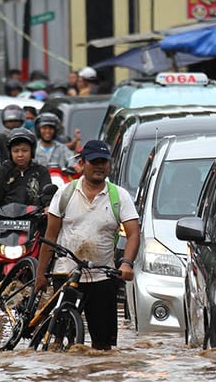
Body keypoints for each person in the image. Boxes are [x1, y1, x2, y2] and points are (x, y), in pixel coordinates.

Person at [34, 140, 141, 350]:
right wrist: (40, 274)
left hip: (102, 275)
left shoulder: (119, 196)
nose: (100, 166)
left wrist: (127, 263)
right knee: (60, 341)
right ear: (82, 163)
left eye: (104, 162)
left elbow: (133, 233)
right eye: (94, 162)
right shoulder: (65, 194)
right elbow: (51, 235)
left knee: (103, 348)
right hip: (66, 273)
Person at [0, 127, 53, 286]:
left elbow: (47, 194)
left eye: (24, 150)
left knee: (49, 244)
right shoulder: (4, 170)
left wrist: (48, 207)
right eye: (16, 151)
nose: (20, 154)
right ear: (10, 152)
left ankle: (45, 279)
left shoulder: (41, 172)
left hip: (34, 221)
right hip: (3, 221)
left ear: (32, 151)